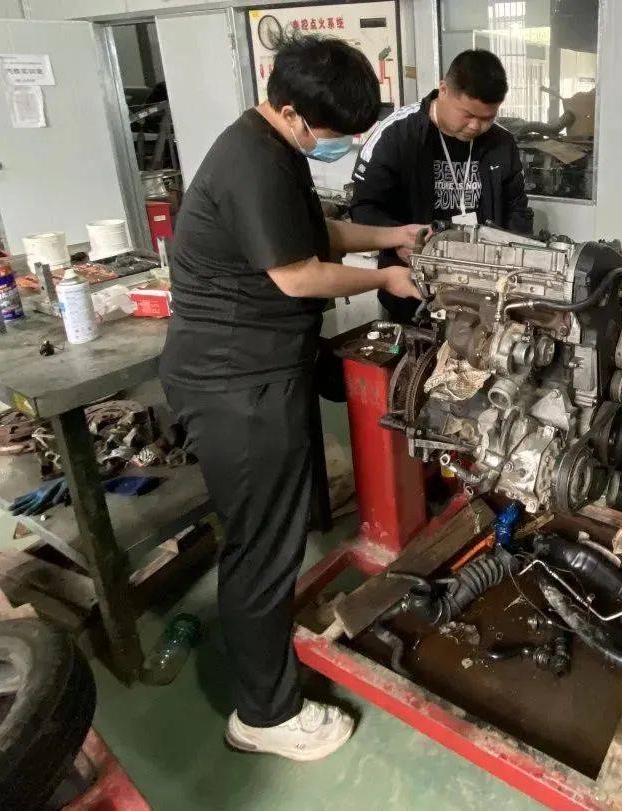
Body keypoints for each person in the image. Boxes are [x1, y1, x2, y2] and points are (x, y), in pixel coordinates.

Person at [159, 35, 423, 762]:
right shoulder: (252, 162)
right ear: (294, 114)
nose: (344, 146)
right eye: (338, 134)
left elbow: (314, 232)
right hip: (237, 385)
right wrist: (385, 278)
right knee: (262, 550)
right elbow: (298, 273)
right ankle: (265, 715)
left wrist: (390, 235)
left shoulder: (272, 148)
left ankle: (265, 678)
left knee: (274, 533)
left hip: (261, 367)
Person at [349, 48, 532, 322]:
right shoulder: (397, 134)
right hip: (414, 287)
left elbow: (517, 209)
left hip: (485, 292)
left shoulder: (502, 143)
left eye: (487, 117)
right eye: (467, 114)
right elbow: (364, 207)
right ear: (443, 89)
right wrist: (397, 240)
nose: (476, 126)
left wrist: (514, 259)